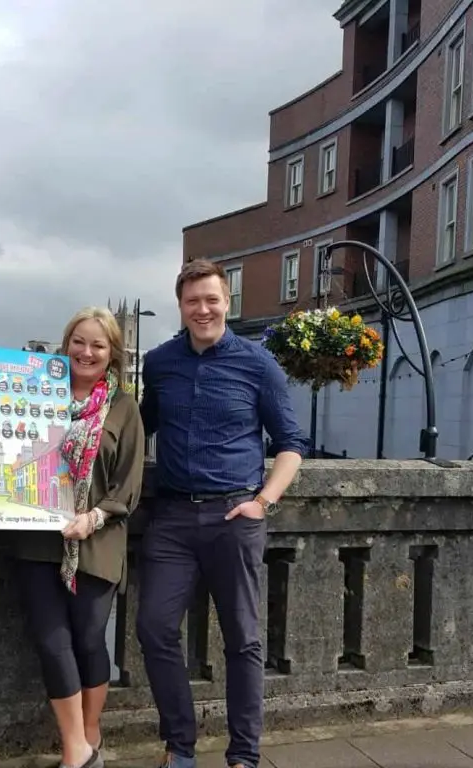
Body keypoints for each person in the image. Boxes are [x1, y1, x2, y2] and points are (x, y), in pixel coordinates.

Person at [136, 259, 309, 768]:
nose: (203, 309)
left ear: (227, 301)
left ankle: (243, 755)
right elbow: (136, 428)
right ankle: (181, 747)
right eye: (193, 301)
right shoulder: (160, 361)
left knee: (243, 638)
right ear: (181, 306)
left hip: (235, 515)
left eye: (212, 299)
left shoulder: (258, 364)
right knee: (154, 628)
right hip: (171, 517)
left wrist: (264, 501)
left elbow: (291, 443)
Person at [8, 307, 145, 768]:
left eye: (98, 345)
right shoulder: (35, 396)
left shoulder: (124, 408)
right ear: (65, 345)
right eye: (78, 342)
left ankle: (90, 734)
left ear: (112, 354)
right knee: (51, 641)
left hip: (96, 540)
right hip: (37, 540)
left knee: (89, 639)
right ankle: (74, 748)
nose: (86, 352)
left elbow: (128, 483)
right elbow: (6, 452)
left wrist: (93, 518)